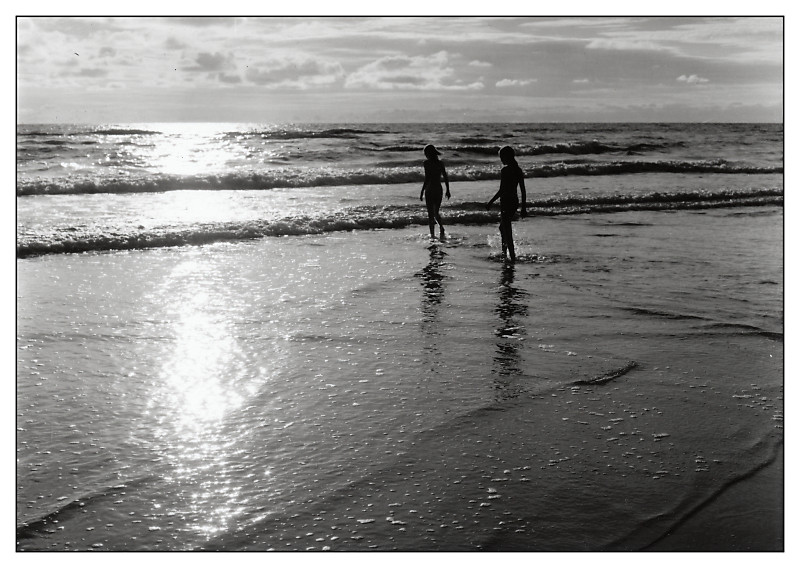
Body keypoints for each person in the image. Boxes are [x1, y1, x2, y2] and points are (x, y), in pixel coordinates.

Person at [487, 145, 526, 261]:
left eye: (502, 157)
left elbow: (502, 190)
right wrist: (523, 207)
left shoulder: (505, 170)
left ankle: (510, 256)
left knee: (506, 230)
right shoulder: (518, 170)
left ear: (506, 157)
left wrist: (490, 202)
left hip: (506, 202)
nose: (501, 160)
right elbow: (523, 190)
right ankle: (505, 253)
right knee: (503, 228)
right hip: (514, 202)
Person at [419, 144, 451, 240]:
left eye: (425, 153)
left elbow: (427, 178)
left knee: (431, 214)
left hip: (430, 189)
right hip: (438, 189)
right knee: (435, 212)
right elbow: (445, 177)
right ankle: (440, 228)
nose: (425, 155)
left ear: (428, 153)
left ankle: (433, 235)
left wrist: (422, 191)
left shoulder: (427, 163)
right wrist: (448, 190)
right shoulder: (440, 163)